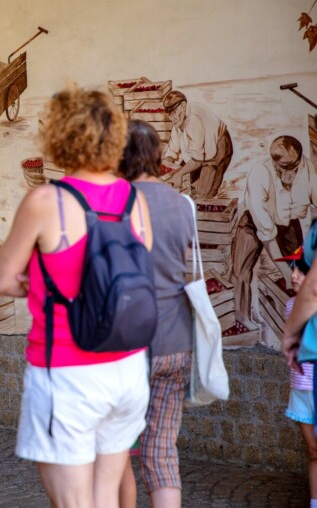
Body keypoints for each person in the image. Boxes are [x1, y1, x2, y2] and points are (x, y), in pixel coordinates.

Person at [0, 86, 153, 506]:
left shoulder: (47, 200)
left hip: (67, 370)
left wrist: (39, 281)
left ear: (59, 135)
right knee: (106, 498)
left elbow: (4, 279)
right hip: (128, 368)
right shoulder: (134, 199)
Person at [119, 119, 195, 508]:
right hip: (177, 340)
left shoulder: (116, 202)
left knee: (114, 453)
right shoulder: (183, 204)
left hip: (127, 345)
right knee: (161, 452)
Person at [231, 135, 317, 325]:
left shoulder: (311, 173)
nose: (287, 175)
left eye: (292, 169)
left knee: (300, 271)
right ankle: (242, 321)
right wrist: (285, 273)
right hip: (253, 223)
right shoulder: (259, 175)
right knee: (241, 272)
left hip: (288, 224)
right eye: (281, 169)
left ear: (300, 161)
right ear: (274, 161)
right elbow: (266, 232)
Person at [278, 247, 317, 507]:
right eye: (292, 268)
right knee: (313, 451)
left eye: (300, 270)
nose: (293, 275)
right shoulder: (290, 305)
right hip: (300, 390)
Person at [161, 90, 232, 199]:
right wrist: (166, 172)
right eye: (169, 114)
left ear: (183, 106)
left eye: (174, 112)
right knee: (187, 183)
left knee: (203, 194)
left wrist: (178, 175)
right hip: (199, 153)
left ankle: (203, 198)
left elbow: (197, 160)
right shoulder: (178, 121)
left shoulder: (194, 119)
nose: (172, 118)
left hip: (217, 148)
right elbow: (172, 151)